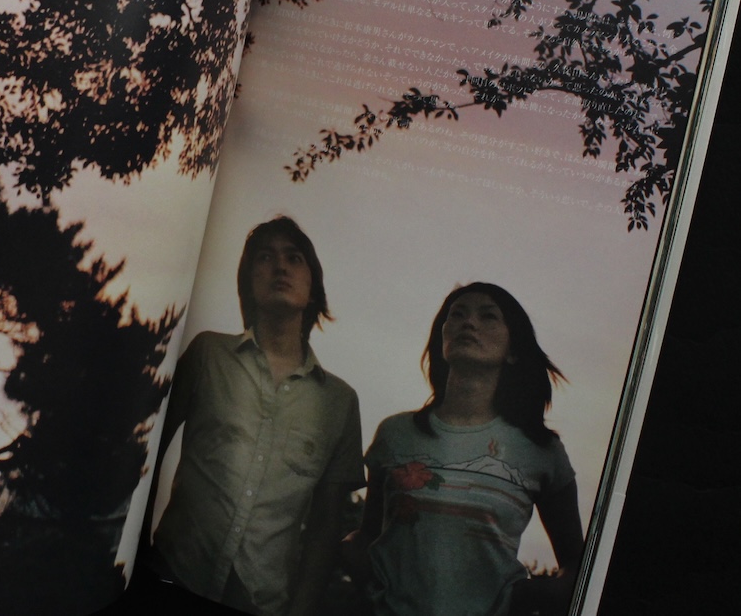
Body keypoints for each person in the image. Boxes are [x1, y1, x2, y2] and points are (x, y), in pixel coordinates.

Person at [149, 216, 364, 616]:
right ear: (248, 283)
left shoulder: (340, 402)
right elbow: (149, 448)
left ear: (313, 287)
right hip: (172, 574)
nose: (280, 266)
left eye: (294, 258)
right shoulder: (208, 354)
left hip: (261, 603)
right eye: (265, 257)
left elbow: (326, 526)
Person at [346, 282, 583, 616]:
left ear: (513, 351)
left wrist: (525, 597)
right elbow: (368, 537)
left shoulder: (541, 450)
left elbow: (577, 567)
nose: (469, 323)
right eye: (457, 315)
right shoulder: (395, 434)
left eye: (488, 317)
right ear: (442, 340)